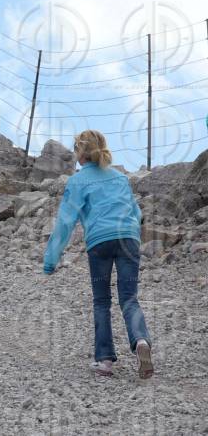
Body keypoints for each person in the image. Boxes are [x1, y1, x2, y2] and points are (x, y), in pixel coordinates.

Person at [42, 130, 153, 379]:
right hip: (128, 240)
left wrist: (51, 260)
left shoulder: (78, 181)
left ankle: (104, 361)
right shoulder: (120, 179)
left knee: (102, 301)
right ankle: (141, 341)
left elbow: (65, 222)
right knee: (129, 298)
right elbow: (136, 213)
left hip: (100, 243)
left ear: (80, 153)